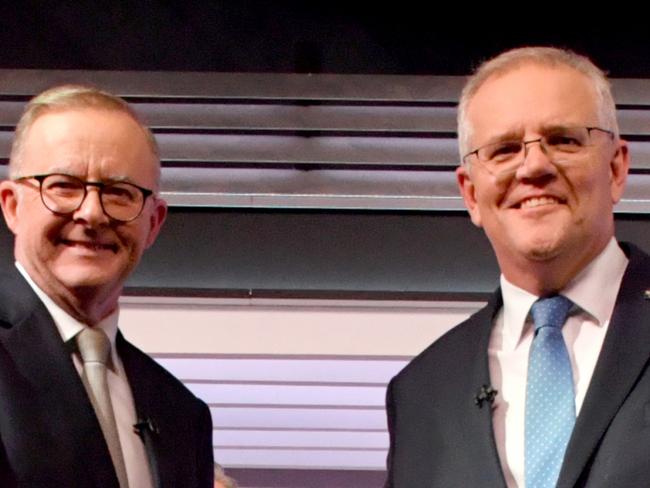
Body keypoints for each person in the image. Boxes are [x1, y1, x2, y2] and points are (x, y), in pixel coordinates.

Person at [384, 46, 650, 487]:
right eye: (504, 150)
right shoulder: (420, 393)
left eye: (564, 139)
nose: (534, 166)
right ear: (470, 193)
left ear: (617, 168)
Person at [0, 85, 214, 487]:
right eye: (63, 186)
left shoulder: (182, 414)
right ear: (12, 205)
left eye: (119, 193)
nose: (92, 212)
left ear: (153, 222)